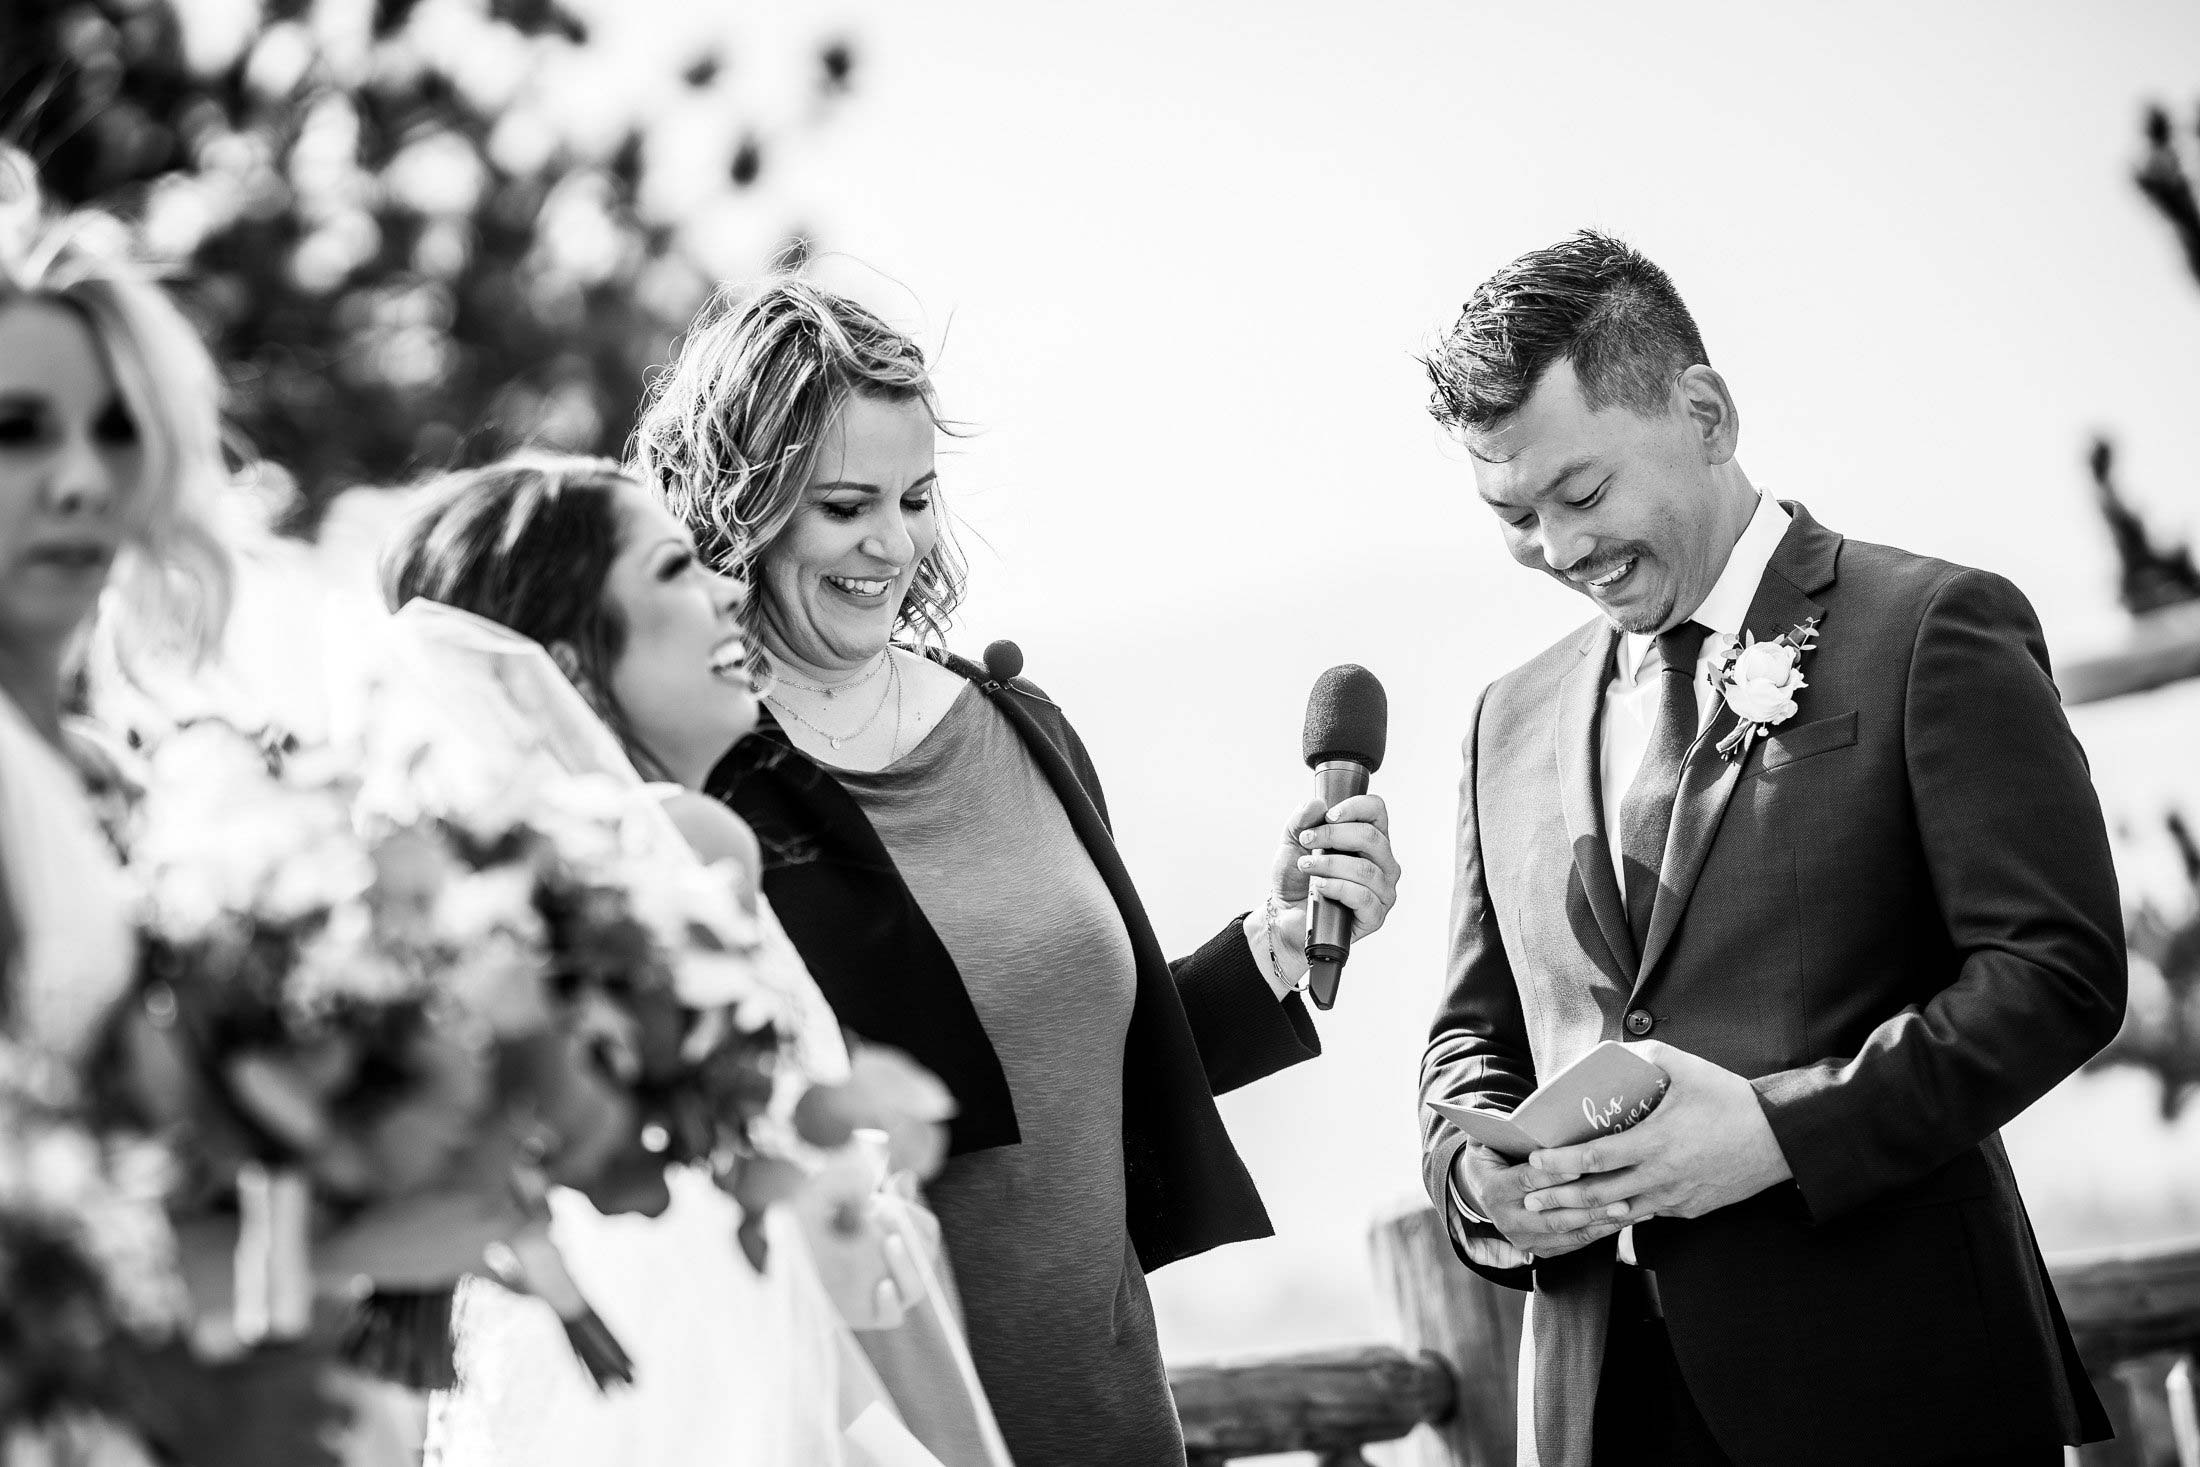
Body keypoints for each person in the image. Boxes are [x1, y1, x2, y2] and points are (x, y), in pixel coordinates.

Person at [630, 277, 1404, 1467]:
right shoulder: (689, 786)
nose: (892, 543)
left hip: (1107, 1417)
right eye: (846, 505)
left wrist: (1275, 946)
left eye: (917, 497)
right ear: (743, 507)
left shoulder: (1016, 723)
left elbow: (1075, 1072)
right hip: (866, 1437)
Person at [1415, 229, 2125, 1467]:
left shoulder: (1930, 627)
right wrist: (1476, 1178)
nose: (1560, 550)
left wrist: (1781, 1131)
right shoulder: (1503, 722)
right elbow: (1473, 1034)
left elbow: (2055, 974)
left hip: (1894, 1392)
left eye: (1581, 494)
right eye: (1513, 516)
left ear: (1705, 411)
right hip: (1598, 1409)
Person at [376, 454, 1004, 1467]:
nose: (726, 589)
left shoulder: (496, 919)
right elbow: (802, 1261)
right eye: (674, 570)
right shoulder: (677, 853)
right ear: (570, 668)